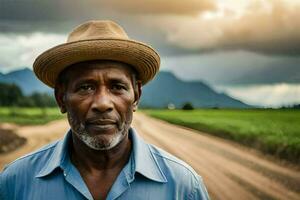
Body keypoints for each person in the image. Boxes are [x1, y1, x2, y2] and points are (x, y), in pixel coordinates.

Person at [0, 20, 209, 200]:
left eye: (117, 87)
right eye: (85, 87)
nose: (102, 103)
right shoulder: (15, 182)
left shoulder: (184, 187)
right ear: (61, 99)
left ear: (136, 96)